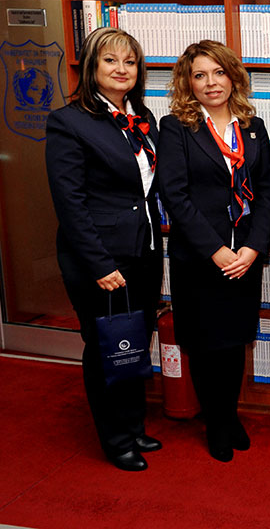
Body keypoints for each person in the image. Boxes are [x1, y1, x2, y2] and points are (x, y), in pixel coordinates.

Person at [45, 27, 163, 472]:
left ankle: (133, 426)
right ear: (92, 67)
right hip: (100, 259)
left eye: (130, 62)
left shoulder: (141, 118)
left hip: (143, 251)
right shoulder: (69, 121)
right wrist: (98, 264)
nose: (121, 69)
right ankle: (115, 440)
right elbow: (69, 202)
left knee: (135, 343)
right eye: (110, 60)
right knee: (105, 347)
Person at [157, 40, 270, 462]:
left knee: (236, 340)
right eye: (200, 75)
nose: (211, 83)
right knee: (206, 345)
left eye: (219, 72)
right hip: (200, 259)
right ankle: (216, 422)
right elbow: (174, 195)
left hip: (245, 258)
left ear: (233, 76)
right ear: (188, 83)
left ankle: (230, 413)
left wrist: (254, 247)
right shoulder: (176, 127)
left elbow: (268, 190)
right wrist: (216, 250)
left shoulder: (253, 126)